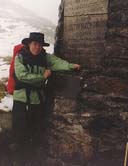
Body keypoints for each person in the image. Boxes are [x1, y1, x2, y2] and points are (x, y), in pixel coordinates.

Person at [11, 32, 81, 163]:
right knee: (19, 132)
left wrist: (71, 66)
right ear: (29, 44)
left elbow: (58, 63)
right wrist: (42, 77)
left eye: (40, 45)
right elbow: (21, 76)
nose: (37, 47)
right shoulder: (20, 57)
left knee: (33, 132)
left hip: (37, 101)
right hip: (21, 100)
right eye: (34, 44)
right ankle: (18, 161)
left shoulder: (45, 57)